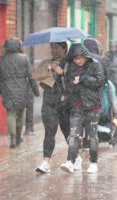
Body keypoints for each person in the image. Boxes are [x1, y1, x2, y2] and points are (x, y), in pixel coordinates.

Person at [60, 44, 105, 174]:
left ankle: (93, 163)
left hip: (92, 106)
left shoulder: (95, 65)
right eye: (75, 59)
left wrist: (82, 79)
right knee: (73, 134)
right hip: (77, 106)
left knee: (92, 136)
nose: (77, 61)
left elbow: (100, 81)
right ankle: (70, 161)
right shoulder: (72, 67)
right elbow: (68, 84)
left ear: (85, 56)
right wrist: (72, 86)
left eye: (79, 58)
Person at [0, 37, 39, 149]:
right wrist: (36, 90)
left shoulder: (2, 59)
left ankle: (13, 138)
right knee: (20, 115)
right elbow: (31, 76)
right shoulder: (24, 58)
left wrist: (0, 90)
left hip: (7, 90)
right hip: (22, 90)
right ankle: (18, 137)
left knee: (10, 113)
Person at [34, 42, 71, 173]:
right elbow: (36, 76)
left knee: (68, 132)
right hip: (49, 103)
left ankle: (74, 157)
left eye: (56, 48)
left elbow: (73, 80)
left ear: (64, 49)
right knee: (50, 131)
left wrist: (61, 72)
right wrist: (49, 68)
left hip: (65, 103)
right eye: (52, 47)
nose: (53, 50)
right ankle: (46, 161)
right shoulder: (46, 62)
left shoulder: (69, 62)